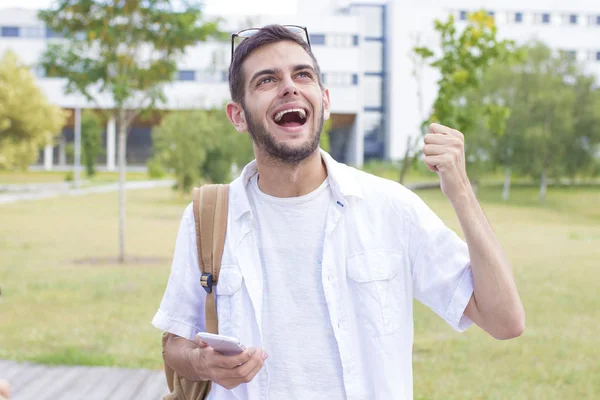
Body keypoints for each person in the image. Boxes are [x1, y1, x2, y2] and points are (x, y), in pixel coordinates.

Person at [153, 24, 525, 400]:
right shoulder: (209, 216)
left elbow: (504, 320)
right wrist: (203, 363)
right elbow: (174, 342)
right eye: (266, 80)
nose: (289, 86)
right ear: (238, 116)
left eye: (303, 74)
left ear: (325, 100)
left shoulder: (390, 207)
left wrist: (460, 190)